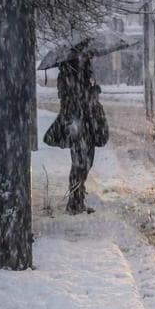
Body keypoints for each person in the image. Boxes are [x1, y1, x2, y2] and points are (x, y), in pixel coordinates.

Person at [46, 56, 108, 214]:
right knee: (81, 164)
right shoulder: (70, 72)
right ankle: (75, 202)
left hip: (82, 124)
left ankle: (77, 199)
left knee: (83, 163)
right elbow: (74, 98)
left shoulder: (76, 69)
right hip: (79, 125)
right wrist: (90, 93)